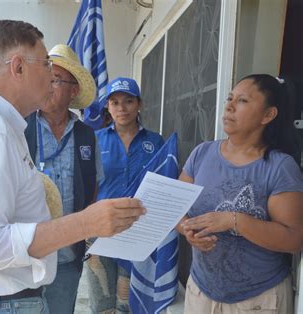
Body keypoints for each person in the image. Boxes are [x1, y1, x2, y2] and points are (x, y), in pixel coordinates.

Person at [0, 20, 145, 314]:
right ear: (17, 67)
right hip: (0, 303)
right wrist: (85, 223)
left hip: (4, 299)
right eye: (46, 65)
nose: (51, 76)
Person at [177, 74, 303, 313]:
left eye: (243, 101)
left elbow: (293, 240)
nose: (229, 105)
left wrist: (233, 220)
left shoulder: (280, 167)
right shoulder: (202, 153)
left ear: (268, 115)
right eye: (230, 98)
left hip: (257, 301)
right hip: (201, 292)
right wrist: (186, 230)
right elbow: (176, 209)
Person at [24, 44, 103, 313]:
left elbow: (92, 189)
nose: (48, 84)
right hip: (26, 257)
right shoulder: (22, 128)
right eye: (47, 78)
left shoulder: (86, 136)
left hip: (67, 258)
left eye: (56, 80)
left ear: (74, 90)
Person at [86, 77, 164, 313]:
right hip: (101, 228)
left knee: (129, 301)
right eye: (115, 102)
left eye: (128, 101)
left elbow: (163, 183)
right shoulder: (96, 140)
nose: (122, 108)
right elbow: (88, 184)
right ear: (107, 107)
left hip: (140, 229)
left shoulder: (155, 141)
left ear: (139, 104)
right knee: (102, 301)